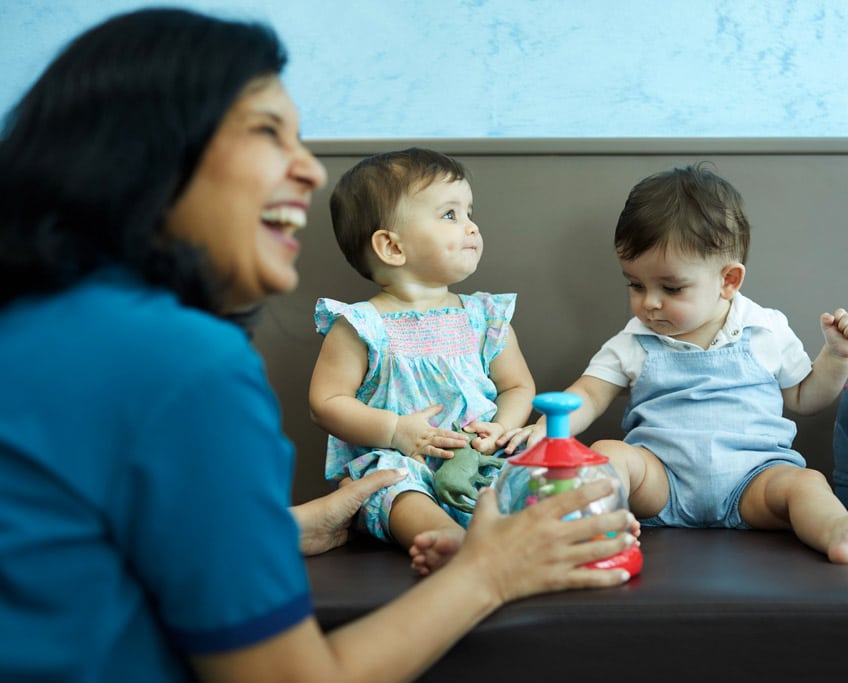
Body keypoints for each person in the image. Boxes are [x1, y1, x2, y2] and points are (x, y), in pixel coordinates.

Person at [0, 9, 637, 682]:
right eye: (269, 133)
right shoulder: (183, 365)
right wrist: (491, 569)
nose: (308, 169)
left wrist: (297, 524)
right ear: (147, 153)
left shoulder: (33, 330)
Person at [500, 163, 848, 564]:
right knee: (610, 454)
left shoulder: (763, 330)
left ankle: (839, 532)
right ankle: (594, 530)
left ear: (728, 281)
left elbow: (807, 397)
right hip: (660, 480)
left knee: (806, 484)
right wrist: (543, 431)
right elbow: (589, 393)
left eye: (671, 287)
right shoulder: (636, 340)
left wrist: (838, 355)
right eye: (635, 284)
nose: (649, 302)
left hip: (754, 479)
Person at [309, 148, 535, 575]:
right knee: (392, 484)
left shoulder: (485, 317)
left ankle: (568, 525)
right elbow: (326, 402)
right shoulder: (361, 326)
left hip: (481, 455)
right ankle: (449, 542)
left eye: (469, 212)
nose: (471, 226)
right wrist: (395, 432)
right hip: (402, 460)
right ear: (392, 246)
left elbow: (517, 386)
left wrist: (503, 427)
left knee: (535, 465)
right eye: (450, 214)